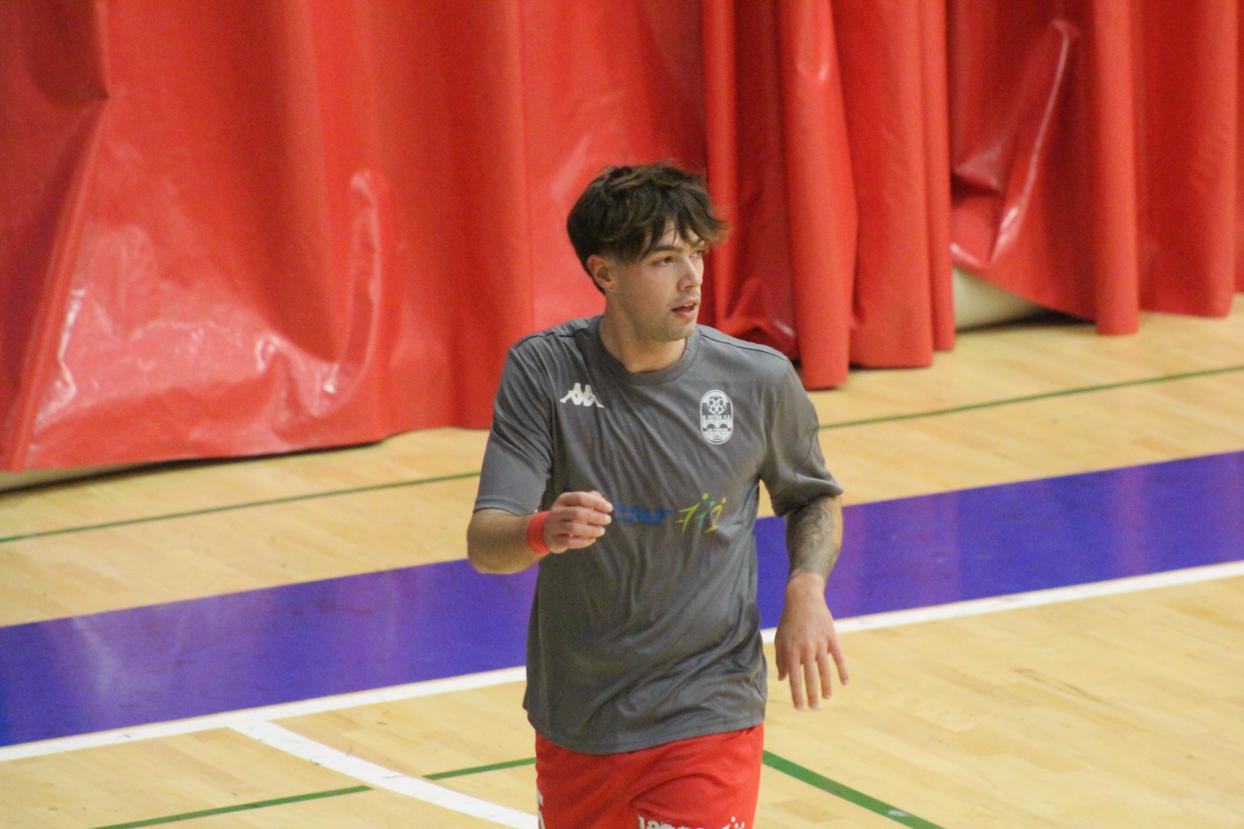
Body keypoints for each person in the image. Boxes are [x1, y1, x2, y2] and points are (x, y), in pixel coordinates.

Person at [467, 162, 848, 829]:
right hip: (579, 715)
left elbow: (813, 497)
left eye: (696, 252)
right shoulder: (543, 372)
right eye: (665, 259)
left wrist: (806, 587)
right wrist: (541, 530)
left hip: (708, 707)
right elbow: (485, 543)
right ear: (605, 273)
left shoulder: (756, 381)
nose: (692, 277)